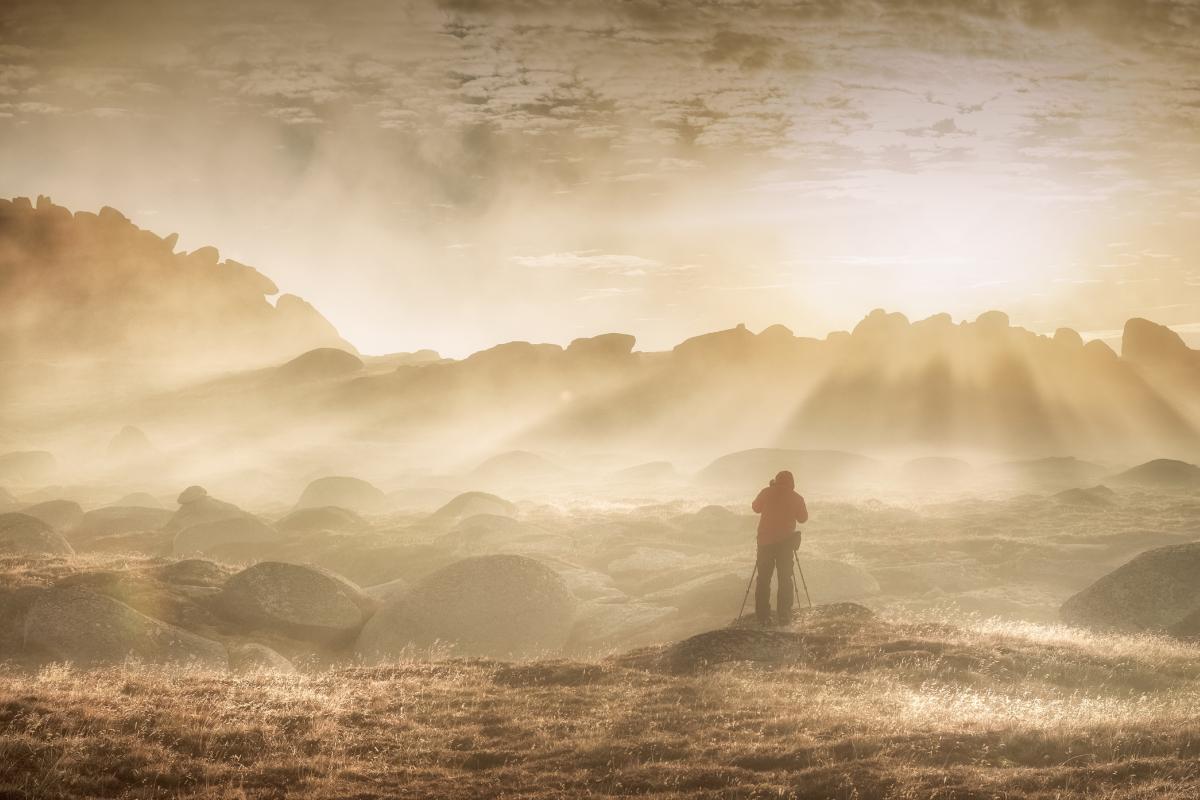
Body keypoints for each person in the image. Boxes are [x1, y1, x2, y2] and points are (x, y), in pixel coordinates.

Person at [751, 470, 808, 625]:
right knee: (785, 578)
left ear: (776, 481)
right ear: (792, 483)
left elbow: (755, 507)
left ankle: (763, 617)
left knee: (763, 579)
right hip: (785, 544)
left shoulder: (766, 492)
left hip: (765, 542)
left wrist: (771, 489)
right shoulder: (796, 497)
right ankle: (784, 615)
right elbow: (803, 518)